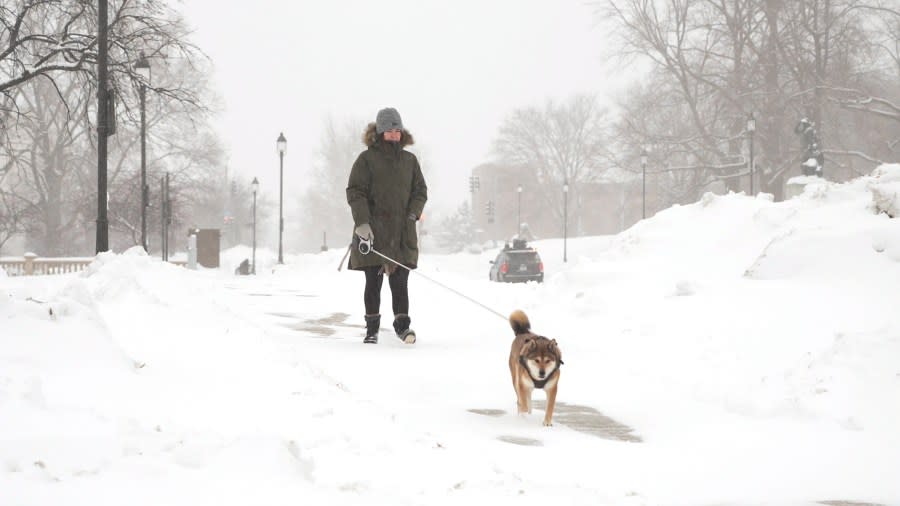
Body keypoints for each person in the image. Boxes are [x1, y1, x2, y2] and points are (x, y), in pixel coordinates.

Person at [346, 107, 428, 344]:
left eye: (397, 130)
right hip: (373, 232)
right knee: (373, 282)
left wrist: (413, 214)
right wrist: (362, 223)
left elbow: (420, 191)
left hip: (402, 233)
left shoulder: (410, 161)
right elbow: (355, 191)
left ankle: (403, 326)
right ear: (380, 132)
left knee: (400, 282)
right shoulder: (366, 160)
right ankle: (372, 329)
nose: (394, 134)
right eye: (390, 130)